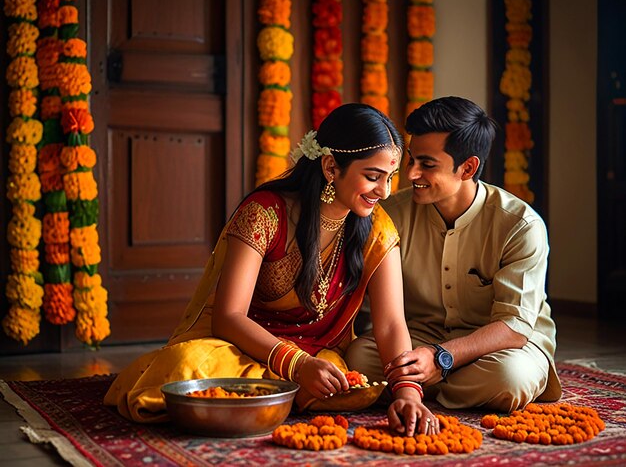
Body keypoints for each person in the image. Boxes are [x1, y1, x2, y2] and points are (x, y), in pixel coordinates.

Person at [104, 103, 439, 437]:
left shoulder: (377, 229)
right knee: (184, 366)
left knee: (354, 386)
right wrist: (297, 366)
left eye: (390, 178)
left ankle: (265, 397)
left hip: (319, 359)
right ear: (330, 167)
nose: (384, 192)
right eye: (373, 177)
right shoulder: (265, 214)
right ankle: (281, 393)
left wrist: (409, 393)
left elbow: (392, 323)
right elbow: (228, 317)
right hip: (241, 350)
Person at [345, 96, 562, 421]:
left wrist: (442, 358)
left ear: (468, 167)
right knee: (359, 358)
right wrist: (423, 355)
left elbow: (514, 328)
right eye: (412, 160)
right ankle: (425, 383)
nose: (412, 173)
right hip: (417, 339)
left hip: (497, 349)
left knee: (510, 377)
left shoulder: (520, 225)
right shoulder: (392, 214)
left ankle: (418, 384)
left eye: (427, 164)